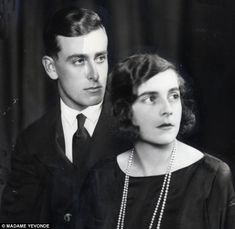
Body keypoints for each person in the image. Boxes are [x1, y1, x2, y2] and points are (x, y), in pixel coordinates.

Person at [0, 7, 131, 227]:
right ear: (51, 68)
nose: (95, 74)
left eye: (100, 58)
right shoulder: (32, 140)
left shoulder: (134, 128)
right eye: (79, 61)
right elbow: (14, 223)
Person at [77, 54, 235, 229]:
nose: (167, 110)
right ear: (126, 110)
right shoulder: (100, 178)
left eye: (174, 96)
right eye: (151, 99)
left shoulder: (211, 176)